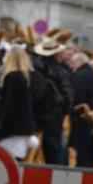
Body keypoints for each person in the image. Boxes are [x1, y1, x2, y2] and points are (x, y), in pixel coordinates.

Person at [32, 32, 74, 165]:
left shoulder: (34, 69)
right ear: (56, 54)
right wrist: (63, 112)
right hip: (55, 117)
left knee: (34, 153)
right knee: (54, 153)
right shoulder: (61, 72)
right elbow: (68, 98)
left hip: (36, 117)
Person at [68, 52, 93, 168]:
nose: (71, 66)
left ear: (78, 62)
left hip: (80, 121)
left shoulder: (78, 76)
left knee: (77, 155)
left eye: (72, 63)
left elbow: (75, 99)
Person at [0, 46, 36, 160]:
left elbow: (8, 104)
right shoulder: (26, 77)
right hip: (24, 127)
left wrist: (0, 125)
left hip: (12, 129)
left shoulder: (11, 77)